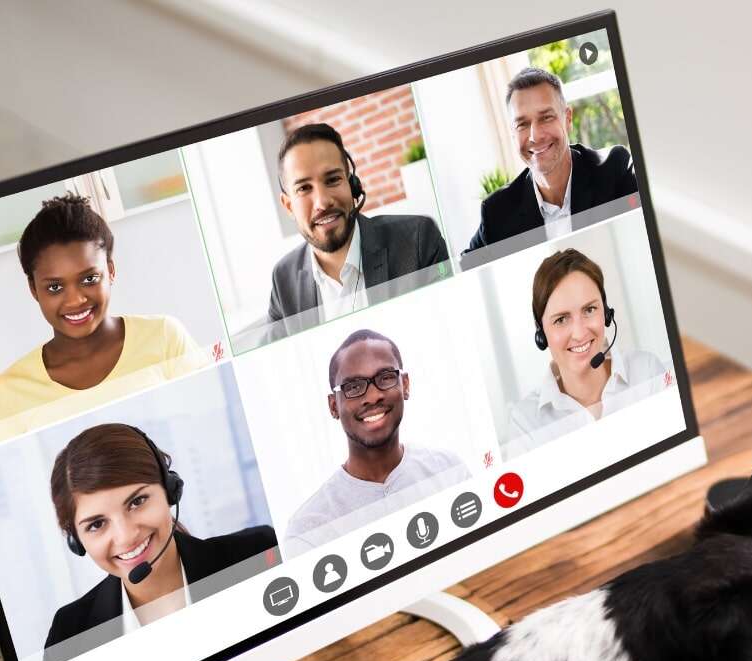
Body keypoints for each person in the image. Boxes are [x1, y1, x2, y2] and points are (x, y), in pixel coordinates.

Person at [43, 424, 278, 661]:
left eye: (137, 502)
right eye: (97, 524)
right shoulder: (69, 633)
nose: (126, 537)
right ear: (76, 541)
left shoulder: (258, 554)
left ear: (169, 491)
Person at [0, 195, 212, 442]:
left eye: (89, 279)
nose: (75, 300)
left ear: (110, 271)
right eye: (55, 287)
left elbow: (210, 426)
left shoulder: (164, 336)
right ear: (34, 289)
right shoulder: (10, 390)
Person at [284, 330, 468, 550]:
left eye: (386, 377)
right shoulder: (308, 531)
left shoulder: (449, 471)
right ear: (334, 406)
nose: (372, 397)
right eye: (353, 387)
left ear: (405, 385)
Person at [266, 123, 448, 334]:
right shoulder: (283, 279)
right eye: (304, 188)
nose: (322, 202)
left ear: (352, 185)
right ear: (289, 205)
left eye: (333, 179)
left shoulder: (418, 240)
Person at [463, 68, 637, 253]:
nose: (535, 136)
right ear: (512, 133)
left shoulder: (614, 170)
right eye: (522, 124)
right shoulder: (497, 212)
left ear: (567, 119)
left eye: (546, 118)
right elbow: (462, 270)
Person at [507, 248, 670, 445]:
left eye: (590, 309)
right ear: (541, 334)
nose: (580, 333)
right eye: (561, 320)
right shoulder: (526, 423)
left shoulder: (647, 372)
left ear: (607, 314)